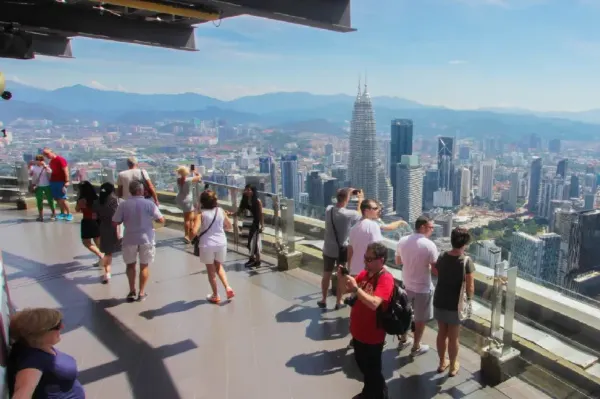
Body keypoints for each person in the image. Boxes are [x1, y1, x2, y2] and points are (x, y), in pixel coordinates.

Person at [343, 242, 395, 399]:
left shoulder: (385, 279)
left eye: (369, 259)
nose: (365, 261)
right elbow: (345, 289)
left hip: (372, 335)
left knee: (372, 370)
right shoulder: (365, 274)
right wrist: (343, 277)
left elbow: (374, 303)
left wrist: (356, 289)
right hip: (359, 332)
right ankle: (368, 392)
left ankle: (379, 395)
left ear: (381, 260)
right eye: (365, 258)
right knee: (363, 366)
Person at [7, 308, 85, 399]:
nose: (62, 327)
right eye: (57, 326)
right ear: (40, 332)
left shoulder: (39, 346)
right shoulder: (32, 363)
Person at [113, 180, 165, 302]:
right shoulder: (149, 204)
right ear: (141, 190)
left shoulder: (123, 205)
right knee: (144, 265)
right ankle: (141, 293)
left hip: (129, 238)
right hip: (146, 238)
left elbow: (115, 222)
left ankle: (131, 291)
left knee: (130, 265)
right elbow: (161, 220)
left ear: (130, 191)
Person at [433, 227, 475, 377]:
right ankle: (452, 366)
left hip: (439, 299)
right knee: (453, 337)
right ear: (465, 243)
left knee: (441, 333)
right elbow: (470, 286)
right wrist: (469, 300)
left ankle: (441, 362)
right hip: (455, 304)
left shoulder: (443, 256)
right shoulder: (466, 261)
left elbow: (436, 272)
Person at [395, 215, 439, 356]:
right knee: (420, 319)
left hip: (407, 284)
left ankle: (403, 339)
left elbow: (397, 261)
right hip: (423, 288)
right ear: (422, 227)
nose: (432, 230)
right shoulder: (429, 245)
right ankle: (416, 346)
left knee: (405, 313)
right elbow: (436, 269)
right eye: (431, 227)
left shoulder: (402, 241)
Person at [319, 188, 363, 309]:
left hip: (328, 249)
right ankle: (339, 301)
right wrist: (360, 200)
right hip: (341, 251)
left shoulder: (329, 209)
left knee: (326, 274)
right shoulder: (349, 214)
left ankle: (323, 299)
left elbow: (339, 198)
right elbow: (360, 215)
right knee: (341, 277)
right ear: (347, 199)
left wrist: (345, 192)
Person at [197, 190, 235, 304]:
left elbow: (195, 230)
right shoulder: (221, 211)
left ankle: (215, 295)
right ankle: (228, 287)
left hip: (207, 244)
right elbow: (229, 226)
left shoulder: (201, 214)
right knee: (218, 266)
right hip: (221, 243)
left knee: (211, 270)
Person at [96, 182, 121, 284]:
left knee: (107, 252)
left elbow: (95, 215)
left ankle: (107, 272)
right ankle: (107, 272)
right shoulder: (114, 200)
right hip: (113, 226)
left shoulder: (98, 201)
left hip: (103, 227)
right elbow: (117, 216)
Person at [75, 181, 103, 266]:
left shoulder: (82, 200)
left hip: (88, 221)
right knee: (98, 241)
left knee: (86, 242)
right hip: (97, 220)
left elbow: (77, 209)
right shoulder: (97, 198)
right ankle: (102, 259)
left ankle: (101, 256)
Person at [237, 184, 264, 268]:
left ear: (253, 191)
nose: (248, 191)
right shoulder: (245, 200)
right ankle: (251, 258)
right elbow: (240, 211)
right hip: (247, 222)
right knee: (248, 242)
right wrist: (231, 214)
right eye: (246, 189)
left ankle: (257, 260)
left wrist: (262, 225)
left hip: (254, 224)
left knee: (255, 243)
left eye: (249, 190)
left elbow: (260, 214)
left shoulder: (257, 201)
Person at [42, 148, 72, 221]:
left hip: (61, 182)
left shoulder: (60, 159)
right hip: (53, 181)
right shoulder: (51, 162)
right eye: (45, 155)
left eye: (47, 154)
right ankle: (62, 213)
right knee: (57, 198)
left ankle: (69, 214)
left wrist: (67, 181)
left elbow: (66, 170)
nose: (46, 156)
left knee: (63, 198)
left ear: (52, 152)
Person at [175, 165, 202, 243]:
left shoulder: (178, 179)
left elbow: (184, 177)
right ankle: (187, 236)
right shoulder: (189, 180)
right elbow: (199, 177)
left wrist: (189, 172)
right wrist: (195, 172)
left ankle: (191, 231)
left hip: (180, 198)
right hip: (187, 200)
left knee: (190, 215)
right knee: (187, 219)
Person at [29, 154, 56, 221]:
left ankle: (53, 214)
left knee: (50, 200)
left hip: (47, 185)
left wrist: (44, 165)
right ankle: (41, 216)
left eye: (40, 160)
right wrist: (29, 165)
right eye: (37, 160)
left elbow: (50, 171)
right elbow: (30, 173)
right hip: (38, 186)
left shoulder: (46, 166)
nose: (38, 161)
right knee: (39, 201)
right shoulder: (34, 167)